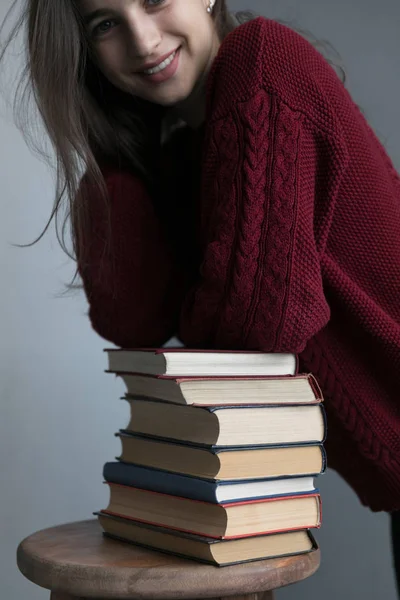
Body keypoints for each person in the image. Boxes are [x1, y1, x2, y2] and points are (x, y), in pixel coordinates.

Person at [1, 0, 400, 589]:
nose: (141, 41)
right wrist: (112, 142)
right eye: (105, 24)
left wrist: (207, 298)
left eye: (155, 0)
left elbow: (263, 324)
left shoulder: (261, 63)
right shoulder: (183, 147)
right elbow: (129, 318)